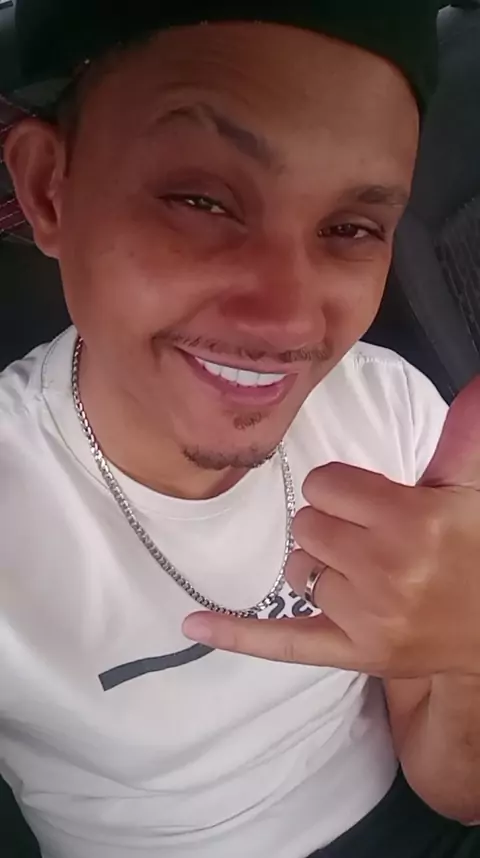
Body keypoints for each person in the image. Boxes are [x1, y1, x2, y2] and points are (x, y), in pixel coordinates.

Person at [1, 3, 480, 857]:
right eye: (201, 200)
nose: (289, 320)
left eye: (351, 228)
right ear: (50, 191)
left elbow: (457, 790)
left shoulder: (392, 410)